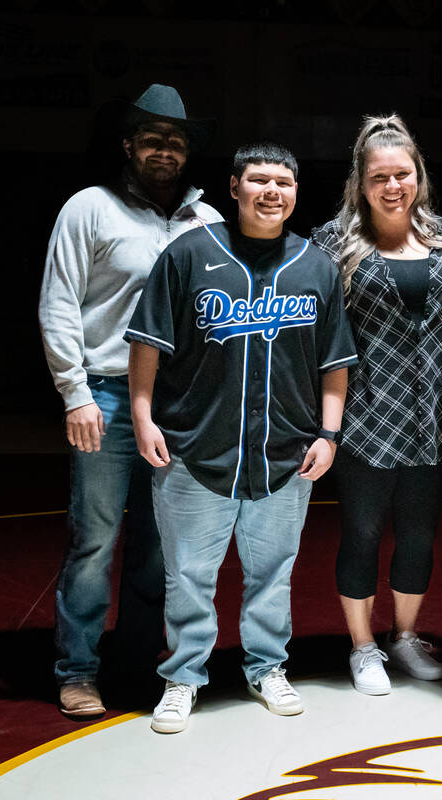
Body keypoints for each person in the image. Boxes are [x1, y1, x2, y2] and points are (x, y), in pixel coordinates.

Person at [125, 142, 357, 733]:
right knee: (188, 574)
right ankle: (182, 676)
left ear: (296, 194)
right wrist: (143, 416)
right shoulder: (188, 254)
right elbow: (147, 343)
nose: (271, 192)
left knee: (273, 570)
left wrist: (329, 434)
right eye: (258, 181)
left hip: (284, 452)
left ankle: (266, 667)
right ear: (234, 188)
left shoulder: (315, 265)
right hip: (194, 448)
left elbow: (334, 363)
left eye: (283, 182)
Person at [38, 83, 222, 719]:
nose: (165, 150)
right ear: (129, 145)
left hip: (177, 404)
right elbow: (59, 303)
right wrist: (74, 392)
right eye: (152, 139)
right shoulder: (89, 209)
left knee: (159, 544)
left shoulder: (209, 222)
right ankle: (77, 669)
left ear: (187, 151)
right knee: (96, 538)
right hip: (108, 398)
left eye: (175, 141)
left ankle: (141, 664)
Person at [311, 115, 442, 695]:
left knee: (421, 536)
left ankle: (403, 636)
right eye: (381, 176)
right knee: (362, 535)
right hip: (364, 418)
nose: (393, 186)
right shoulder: (333, 245)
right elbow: (318, 339)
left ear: (419, 176)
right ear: (361, 180)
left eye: (404, 174)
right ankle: (362, 646)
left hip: (435, 417)